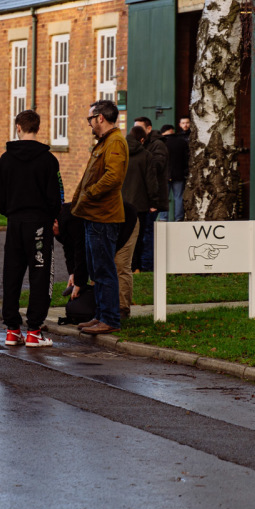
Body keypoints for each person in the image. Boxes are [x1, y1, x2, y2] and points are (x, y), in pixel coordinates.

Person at [0, 109, 62, 348]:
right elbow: (56, 196)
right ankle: (34, 330)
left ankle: (12, 330)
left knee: (12, 273)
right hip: (40, 224)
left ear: (18, 128)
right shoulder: (49, 160)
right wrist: (52, 216)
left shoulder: (5, 159)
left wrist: (11, 212)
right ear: (38, 128)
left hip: (14, 223)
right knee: (40, 274)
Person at [71, 100, 128, 335]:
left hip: (103, 217)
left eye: (90, 119)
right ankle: (101, 315)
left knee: (104, 270)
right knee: (97, 271)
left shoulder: (115, 142)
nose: (89, 124)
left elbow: (113, 176)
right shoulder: (106, 142)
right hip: (94, 215)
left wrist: (90, 193)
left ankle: (110, 319)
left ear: (100, 118)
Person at [118, 126, 150, 322]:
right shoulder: (145, 155)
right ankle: (137, 267)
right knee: (138, 240)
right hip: (139, 204)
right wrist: (156, 202)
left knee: (116, 256)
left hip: (118, 205)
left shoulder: (119, 151)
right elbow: (150, 180)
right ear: (142, 139)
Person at [132, 116, 168, 270]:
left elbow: (157, 166)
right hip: (139, 197)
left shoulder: (157, 145)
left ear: (148, 128)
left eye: (140, 128)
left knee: (147, 234)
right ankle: (138, 265)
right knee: (138, 234)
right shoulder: (137, 144)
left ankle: (147, 266)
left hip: (151, 198)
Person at [161, 122, 189, 222]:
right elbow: (186, 158)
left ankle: (163, 218)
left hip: (164, 175)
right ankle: (179, 218)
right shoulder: (181, 142)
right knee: (178, 197)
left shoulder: (161, 142)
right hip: (179, 174)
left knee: (164, 197)